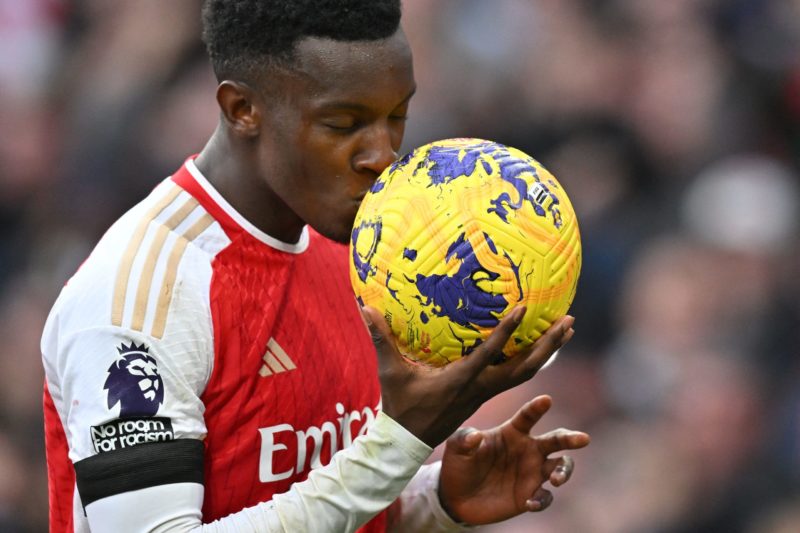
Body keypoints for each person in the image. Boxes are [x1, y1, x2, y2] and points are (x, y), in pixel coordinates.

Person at [41, 1, 589, 531]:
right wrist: (398, 444)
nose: (382, 155)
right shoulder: (142, 295)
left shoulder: (375, 257)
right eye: (343, 124)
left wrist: (437, 500)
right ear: (242, 110)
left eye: (396, 116)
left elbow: (330, 492)